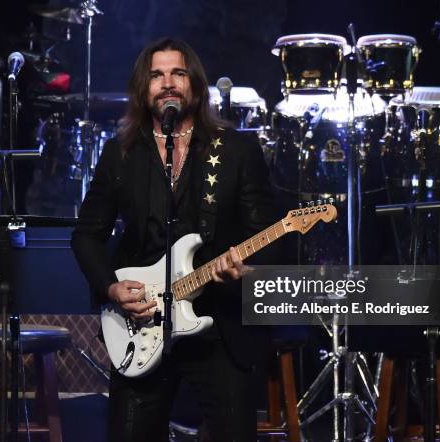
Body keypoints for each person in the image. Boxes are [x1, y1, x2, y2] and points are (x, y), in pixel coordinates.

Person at [72, 37, 279, 441]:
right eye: (157, 75)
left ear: (195, 85)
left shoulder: (236, 150)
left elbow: (268, 236)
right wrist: (112, 288)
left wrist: (245, 269)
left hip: (218, 324)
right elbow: (86, 236)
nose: (167, 83)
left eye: (178, 73)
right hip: (141, 322)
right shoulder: (121, 154)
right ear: (142, 89)